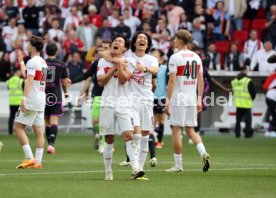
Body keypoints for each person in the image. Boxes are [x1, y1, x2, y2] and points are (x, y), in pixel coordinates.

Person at [97, 34, 143, 181]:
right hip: (107, 103)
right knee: (109, 139)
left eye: (120, 41)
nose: (116, 42)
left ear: (125, 48)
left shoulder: (130, 62)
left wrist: (118, 64)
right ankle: (108, 171)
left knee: (128, 135)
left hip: (124, 103)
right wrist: (115, 65)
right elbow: (100, 82)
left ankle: (135, 168)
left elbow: (123, 80)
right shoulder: (102, 62)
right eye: (115, 40)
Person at [164, 29, 210, 172]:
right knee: (190, 130)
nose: (173, 41)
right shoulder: (196, 57)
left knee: (176, 130)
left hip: (179, 98)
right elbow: (201, 80)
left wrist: (168, 101)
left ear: (180, 40)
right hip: (191, 98)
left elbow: (172, 81)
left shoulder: (175, 57)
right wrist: (198, 99)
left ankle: (178, 165)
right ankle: (203, 152)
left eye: (175, 39)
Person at [14, 36, 48, 169]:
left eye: (28, 45)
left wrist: (23, 99)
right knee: (38, 130)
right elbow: (28, 76)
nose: (27, 47)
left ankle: (29, 158)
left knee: (18, 127)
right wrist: (22, 62)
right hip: (41, 99)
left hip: (32, 99)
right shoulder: (43, 62)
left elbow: (28, 81)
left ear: (33, 47)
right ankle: (38, 162)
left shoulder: (32, 62)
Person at [74, 40, 112, 153]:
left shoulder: (115, 63)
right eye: (100, 49)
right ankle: (100, 137)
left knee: (106, 122)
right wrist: (80, 93)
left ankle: (104, 143)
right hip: (97, 95)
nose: (101, 51)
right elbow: (88, 77)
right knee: (95, 121)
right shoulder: (96, 63)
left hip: (110, 96)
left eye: (105, 48)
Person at [44, 43, 71, 154]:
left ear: (46, 52)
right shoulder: (61, 64)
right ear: (56, 52)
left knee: (46, 121)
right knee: (54, 120)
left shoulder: (42, 62)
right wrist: (66, 92)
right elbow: (65, 81)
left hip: (43, 95)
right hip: (56, 95)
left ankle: (49, 144)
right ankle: (51, 144)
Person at [231, 67, 256, 138]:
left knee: (238, 120)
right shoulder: (247, 81)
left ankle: (237, 134)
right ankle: (247, 134)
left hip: (238, 103)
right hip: (247, 104)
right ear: (245, 71)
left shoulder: (234, 81)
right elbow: (253, 92)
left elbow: (233, 90)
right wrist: (252, 99)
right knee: (248, 121)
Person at [151, 49, 168, 149]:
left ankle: (159, 142)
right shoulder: (148, 68)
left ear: (161, 59)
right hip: (150, 97)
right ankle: (152, 139)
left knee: (160, 119)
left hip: (161, 97)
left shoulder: (165, 69)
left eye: (156, 56)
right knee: (150, 120)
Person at [7, 69, 24, 135]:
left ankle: (10, 131)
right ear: (17, 73)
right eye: (20, 72)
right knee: (20, 117)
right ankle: (20, 131)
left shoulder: (9, 81)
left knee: (11, 117)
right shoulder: (20, 81)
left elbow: (8, 88)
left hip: (11, 102)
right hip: (19, 102)